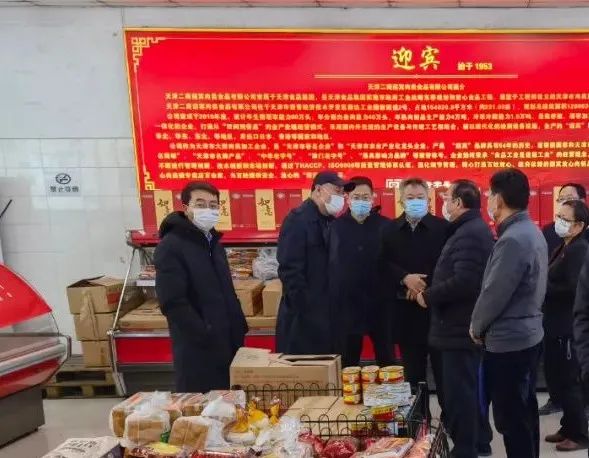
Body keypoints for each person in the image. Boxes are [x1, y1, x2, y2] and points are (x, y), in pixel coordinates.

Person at [470, 168, 547, 458]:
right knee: (524, 413)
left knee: (511, 419)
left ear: (499, 199)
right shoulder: (530, 231)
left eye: (490, 194)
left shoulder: (513, 239)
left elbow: (495, 293)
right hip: (528, 334)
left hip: (509, 342)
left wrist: (476, 326)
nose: (488, 200)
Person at [418, 180, 493, 458]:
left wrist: (428, 295)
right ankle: (475, 444)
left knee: (461, 395)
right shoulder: (466, 230)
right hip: (455, 328)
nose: (444, 204)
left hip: (458, 330)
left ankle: (465, 450)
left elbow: (465, 281)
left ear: (459, 202)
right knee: (462, 392)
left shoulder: (470, 233)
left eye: (447, 199)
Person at [154, 181, 248, 392]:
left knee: (229, 405)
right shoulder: (171, 246)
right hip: (198, 350)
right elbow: (172, 302)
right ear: (186, 207)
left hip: (228, 343)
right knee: (202, 406)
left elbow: (226, 291)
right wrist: (204, 333)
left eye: (213, 205)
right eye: (200, 204)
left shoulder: (214, 245)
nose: (208, 210)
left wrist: (239, 325)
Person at [379, 178, 449, 392]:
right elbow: (381, 265)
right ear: (401, 200)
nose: (415, 201)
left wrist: (424, 288)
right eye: (410, 197)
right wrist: (405, 279)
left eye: (420, 197)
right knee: (414, 378)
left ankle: (448, 413)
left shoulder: (443, 228)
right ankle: (420, 413)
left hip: (437, 312)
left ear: (429, 200)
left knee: (445, 376)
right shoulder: (388, 230)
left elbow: (449, 265)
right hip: (405, 312)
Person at [275, 171, 354, 354]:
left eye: (343, 193)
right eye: (337, 191)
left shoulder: (331, 222)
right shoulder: (297, 220)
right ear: (318, 190)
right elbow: (290, 271)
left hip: (330, 318)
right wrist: (307, 310)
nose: (341, 197)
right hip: (305, 322)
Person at [329, 176, 392, 367]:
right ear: (348, 198)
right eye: (356, 197)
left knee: (387, 358)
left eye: (365, 197)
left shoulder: (385, 226)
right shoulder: (335, 227)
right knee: (348, 360)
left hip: (381, 302)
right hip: (347, 304)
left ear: (373, 197)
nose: (361, 201)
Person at [542, 200, 589, 452]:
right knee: (560, 379)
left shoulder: (580, 250)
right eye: (558, 216)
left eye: (565, 219)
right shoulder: (564, 246)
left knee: (571, 382)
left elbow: (574, 288)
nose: (558, 222)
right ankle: (567, 426)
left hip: (567, 326)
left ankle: (579, 434)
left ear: (579, 225)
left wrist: (543, 287)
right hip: (555, 324)